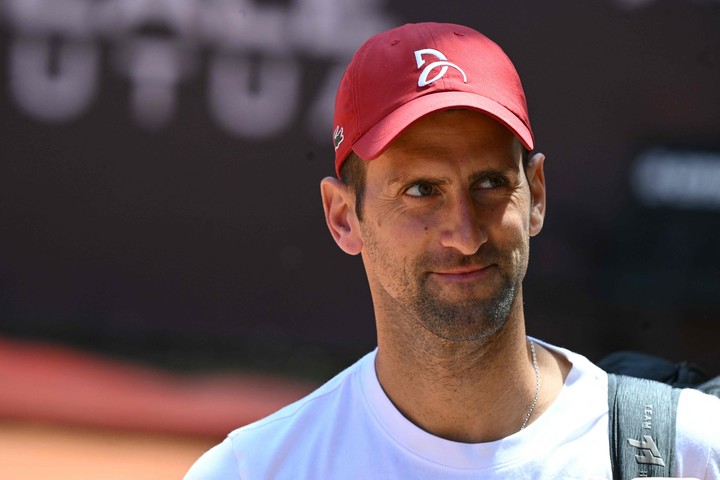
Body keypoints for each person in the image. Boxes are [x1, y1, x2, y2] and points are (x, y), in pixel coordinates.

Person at [184, 22, 720, 479]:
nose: (464, 233)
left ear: (535, 195)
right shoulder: (255, 470)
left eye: (489, 183)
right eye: (421, 191)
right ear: (343, 217)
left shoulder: (686, 452)